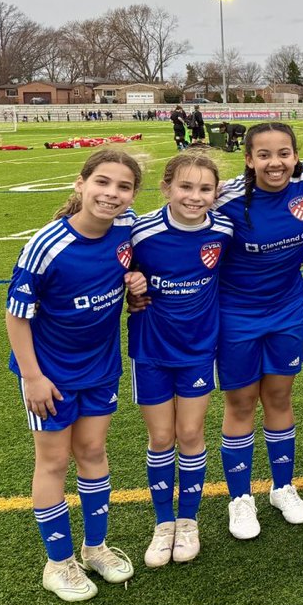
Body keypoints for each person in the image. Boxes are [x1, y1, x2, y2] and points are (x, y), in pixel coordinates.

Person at [5, 150, 145, 601]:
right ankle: (58, 562)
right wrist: (32, 377)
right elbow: (17, 315)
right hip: (50, 375)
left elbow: (137, 266)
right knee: (53, 462)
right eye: (102, 182)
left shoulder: (126, 227)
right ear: (81, 184)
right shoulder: (47, 246)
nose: (112, 194)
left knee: (93, 451)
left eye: (123, 187)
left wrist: (136, 281)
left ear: (132, 196)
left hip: (101, 368)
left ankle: (95, 548)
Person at [212, 122, 303, 540]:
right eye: (264, 154)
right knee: (241, 403)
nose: (275, 163)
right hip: (237, 316)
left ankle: (282, 487)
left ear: (296, 156)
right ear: (248, 159)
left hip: (289, 311)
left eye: (283, 153)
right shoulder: (225, 199)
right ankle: (240, 498)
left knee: (278, 397)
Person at [129, 152, 234, 566]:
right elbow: (109, 265)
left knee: (190, 433)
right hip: (151, 349)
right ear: (167, 187)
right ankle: (163, 524)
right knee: (161, 438)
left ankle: (188, 521)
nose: (195, 196)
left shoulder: (223, 228)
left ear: (215, 192)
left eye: (205, 189)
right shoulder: (139, 231)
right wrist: (129, 283)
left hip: (198, 349)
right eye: (186, 187)